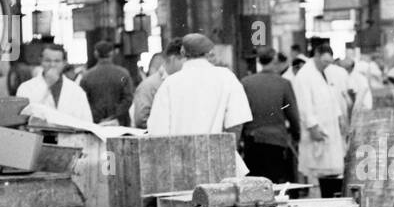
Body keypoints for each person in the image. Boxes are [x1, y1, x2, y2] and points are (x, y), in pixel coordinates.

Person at [147, 32, 251, 136]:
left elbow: (157, 130)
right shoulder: (227, 77)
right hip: (217, 150)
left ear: (183, 52)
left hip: (180, 151)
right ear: (209, 53)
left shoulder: (169, 83)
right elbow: (236, 123)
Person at [293, 40, 346, 196]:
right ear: (316, 55)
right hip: (316, 129)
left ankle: (329, 202)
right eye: (324, 62)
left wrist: (340, 117)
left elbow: (332, 97)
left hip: (331, 127)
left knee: (332, 169)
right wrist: (312, 126)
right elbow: (304, 105)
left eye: (329, 62)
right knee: (318, 171)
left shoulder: (325, 73)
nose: (327, 65)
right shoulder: (305, 75)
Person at [241, 48, 301, 183]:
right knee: (274, 182)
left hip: (252, 140)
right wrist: (296, 135)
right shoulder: (284, 84)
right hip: (277, 141)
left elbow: (241, 112)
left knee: (254, 184)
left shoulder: (246, 82)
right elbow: (293, 114)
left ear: (259, 61)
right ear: (275, 60)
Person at [15, 41, 94, 125]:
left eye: (57, 61)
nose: (52, 65)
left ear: (64, 63)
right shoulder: (26, 88)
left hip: (68, 137)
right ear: (40, 61)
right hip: (37, 137)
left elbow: (88, 123)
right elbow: (22, 119)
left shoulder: (76, 91)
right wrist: (48, 85)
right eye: (47, 60)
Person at [129, 39, 184, 130]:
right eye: (184, 60)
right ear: (173, 59)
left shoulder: (181, 82)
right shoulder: (149, 86)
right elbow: (141, 120)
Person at [79, 40, 134, 125]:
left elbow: (83, 101)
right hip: (120, 123)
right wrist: (114, 116)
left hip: (95, 123)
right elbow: (128, 98)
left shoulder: (87, 77)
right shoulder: (123, 75)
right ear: (112, 53)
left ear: (96, 54)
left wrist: (97, 117)